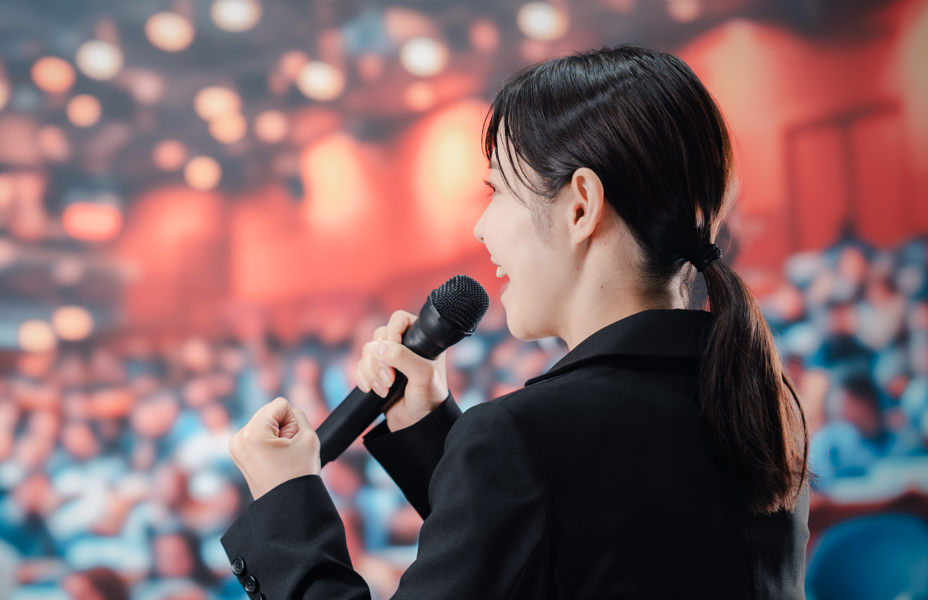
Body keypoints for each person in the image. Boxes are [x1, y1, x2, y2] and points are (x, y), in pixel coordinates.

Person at [220, 45, 810, 599]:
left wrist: (285, 503)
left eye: (499, 190)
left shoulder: (525, 435)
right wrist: (425, 422)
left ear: (581, 205)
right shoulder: (760, 403)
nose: (481, 227)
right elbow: (572, 550)